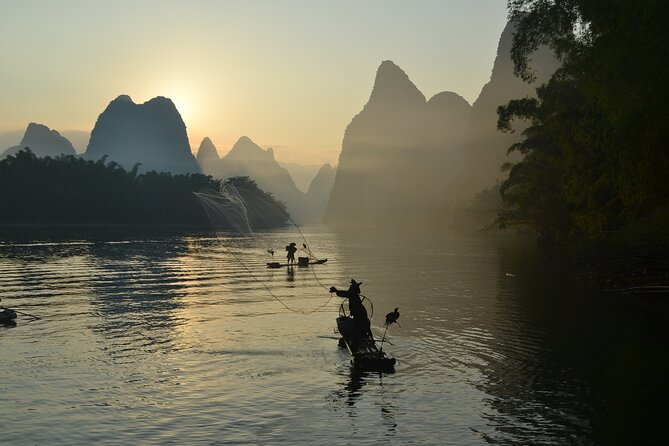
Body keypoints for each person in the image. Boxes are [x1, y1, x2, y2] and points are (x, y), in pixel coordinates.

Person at [330, 279, 374, 349]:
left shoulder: (352, 294)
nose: (349, 288)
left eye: (350, 287)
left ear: (352, 289)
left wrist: (336, 291)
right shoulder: (354, 294)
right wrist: (337, 291)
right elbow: (346, 293)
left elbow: (346, 293)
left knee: (357, 326)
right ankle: (370, 339)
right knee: (365, 324)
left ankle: (355, 341)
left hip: (359, 312)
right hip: (361, 311)